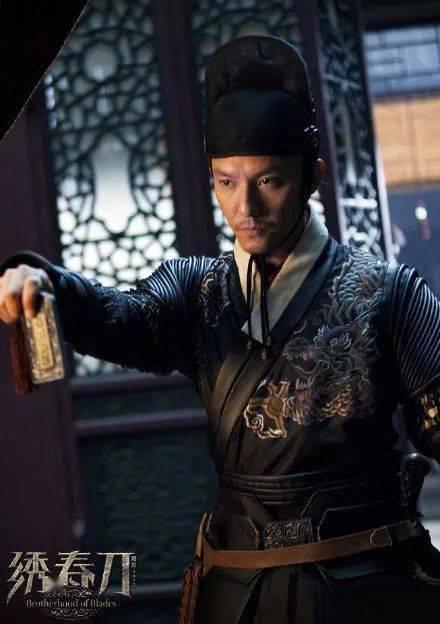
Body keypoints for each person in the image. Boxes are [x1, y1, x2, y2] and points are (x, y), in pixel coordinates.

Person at [0, 35, 439, 624]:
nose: (245, 209)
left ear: (313, 175)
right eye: (226, 182)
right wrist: (45, 281)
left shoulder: (390, 294)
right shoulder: (196, 290)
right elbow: (119, 319)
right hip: (235, 591)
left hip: (366, 588)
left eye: (268, 181)